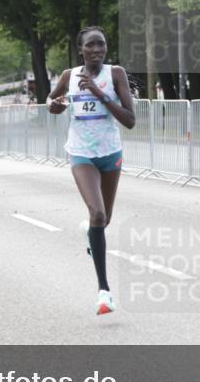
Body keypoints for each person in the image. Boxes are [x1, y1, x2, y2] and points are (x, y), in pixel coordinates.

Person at [47, 26, 136, 315]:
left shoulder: (116, 74)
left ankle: (91, 233)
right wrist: (55, 105)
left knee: (103, 220)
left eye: (102, 45)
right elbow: (51, 99)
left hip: (110, 154)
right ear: (81, 49)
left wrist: (99, 93)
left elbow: (130, 120)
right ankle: (104, 291)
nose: (98, 50)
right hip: (81, 153)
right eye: (91, 45)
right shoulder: (69, 76)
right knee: (96, 213)